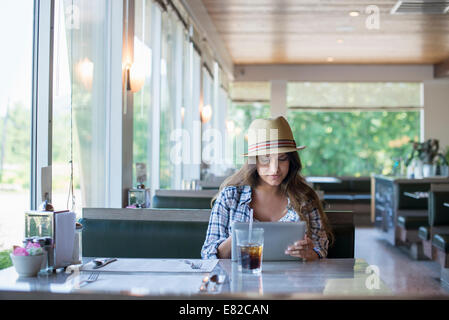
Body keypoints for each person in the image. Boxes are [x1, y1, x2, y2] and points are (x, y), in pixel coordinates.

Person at [201, 116, 333, 261]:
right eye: (265, 159)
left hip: (293, 280)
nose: (274, 168)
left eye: (282, 158)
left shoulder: (305, 198)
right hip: (242, 279)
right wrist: (240, 237)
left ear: (291, 160)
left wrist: (310, 254)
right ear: (254, 161)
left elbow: (320, 247)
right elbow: (208, 253)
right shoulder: (230, 197)